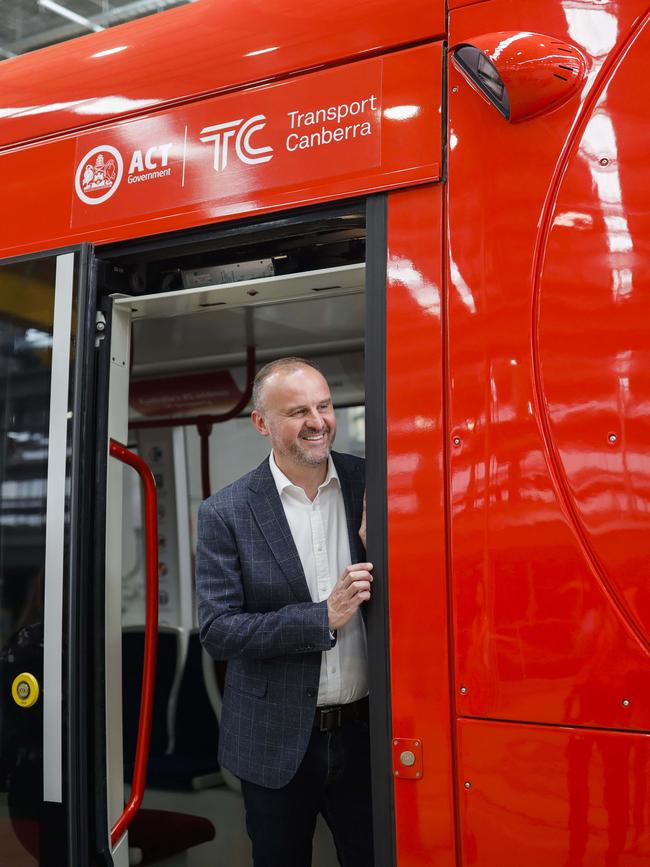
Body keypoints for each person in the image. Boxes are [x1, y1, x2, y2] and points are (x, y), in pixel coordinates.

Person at [196, 357, 373, 867]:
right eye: (298, 411)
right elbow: (217, 630)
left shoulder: (373, 484)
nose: (318, 421)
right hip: (272, 746)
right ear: (262, 423)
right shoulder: (225, 512)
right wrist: (322, 617)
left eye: (323, 406)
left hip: (367, 737)